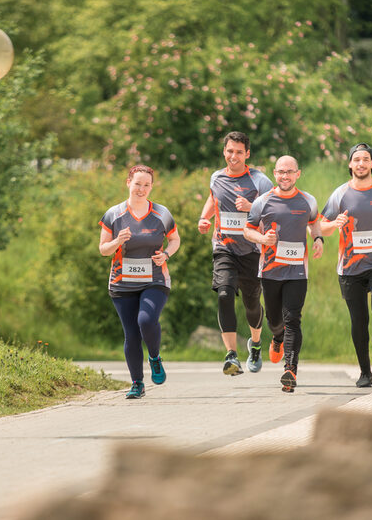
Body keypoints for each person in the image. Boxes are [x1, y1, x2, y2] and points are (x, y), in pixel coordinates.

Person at [320, 143, 372, 388]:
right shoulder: (340, 194)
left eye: (366, 159)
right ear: (350, 164)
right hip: (350, 268)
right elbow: (319, 226)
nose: (361, 163)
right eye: (357, 159)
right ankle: (365, 372)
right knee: (358, 320)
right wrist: (334, 223)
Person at [99, 165, 180, 399]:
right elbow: (103, 250)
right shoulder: (113, 214)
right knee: (131, 334)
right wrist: (117, 241)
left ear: (151, 187)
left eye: (146, 185)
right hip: (122, 284)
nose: (141, 189)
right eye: (137, 184)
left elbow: (175, 240)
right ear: (128, 183)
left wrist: (166, 254)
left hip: (154, 279)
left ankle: (154, 357)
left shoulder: (161, 213)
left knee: (146, 319)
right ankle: (137, 383)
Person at [243, 156, 324, 392]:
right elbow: (247, 230)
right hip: (269, 271)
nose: (285, 176)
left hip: (297, 270)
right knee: (275, 321)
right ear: (274, 174)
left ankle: (290, 370)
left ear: (298, 174)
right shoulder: (262, 201)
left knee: (293, 319)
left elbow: (314, 223)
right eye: (280, 172)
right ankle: (277, 338)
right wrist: (262, 238)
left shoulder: (308, 200)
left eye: (289, 172)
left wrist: (318, 238)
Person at [198, 131, 273, 375]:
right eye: (230, 151)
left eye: (239, 152)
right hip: (224, 247)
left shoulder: (259, 181)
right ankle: (231, 355)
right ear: (224, 151)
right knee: (223, 294)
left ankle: (256, 343)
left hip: (252, 249)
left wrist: (252, 207)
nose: (233, 156)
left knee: (252, 305)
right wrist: (203, 218)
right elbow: (213, 199)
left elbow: (275, 210)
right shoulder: (216, 177)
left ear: (247, 154)